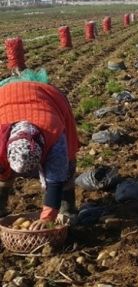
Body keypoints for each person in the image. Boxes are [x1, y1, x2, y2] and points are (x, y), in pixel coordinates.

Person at [0, 81, 80, 229]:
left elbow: (55, 182)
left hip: (49, 97)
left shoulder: (55, 137)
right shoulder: (1, 137)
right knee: (2, 173)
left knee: (66, 167)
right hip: (6, 96)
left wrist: (47, 218)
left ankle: (67, 209)